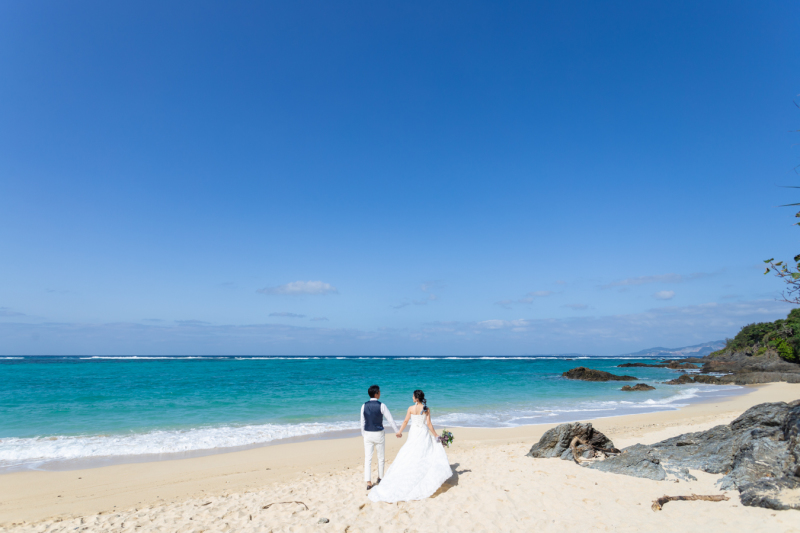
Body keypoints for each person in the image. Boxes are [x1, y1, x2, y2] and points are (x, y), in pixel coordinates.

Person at [368, 389, 453, 503]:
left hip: (414, 432)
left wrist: (399, 432)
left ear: (416, 398)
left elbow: (405, 421)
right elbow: (428, 424)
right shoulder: (426, 409)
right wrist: (436, 435)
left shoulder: (410, 408)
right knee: (423, 454)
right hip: (423, 432)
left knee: (410, 452)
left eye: (413, 396)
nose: (412, 397)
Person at [361, 384, 401, 490]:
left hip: (368, 434)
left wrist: (363, 434)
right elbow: (390, 419)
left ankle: (369, 482)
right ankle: (380, 477)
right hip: (378, 433)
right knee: (381, 457)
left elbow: (362, 422)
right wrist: (397, 431)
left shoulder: (363, 405)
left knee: (368, 458)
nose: (380, 393)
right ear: (376, 393)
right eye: (379, 391)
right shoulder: (382, 405)